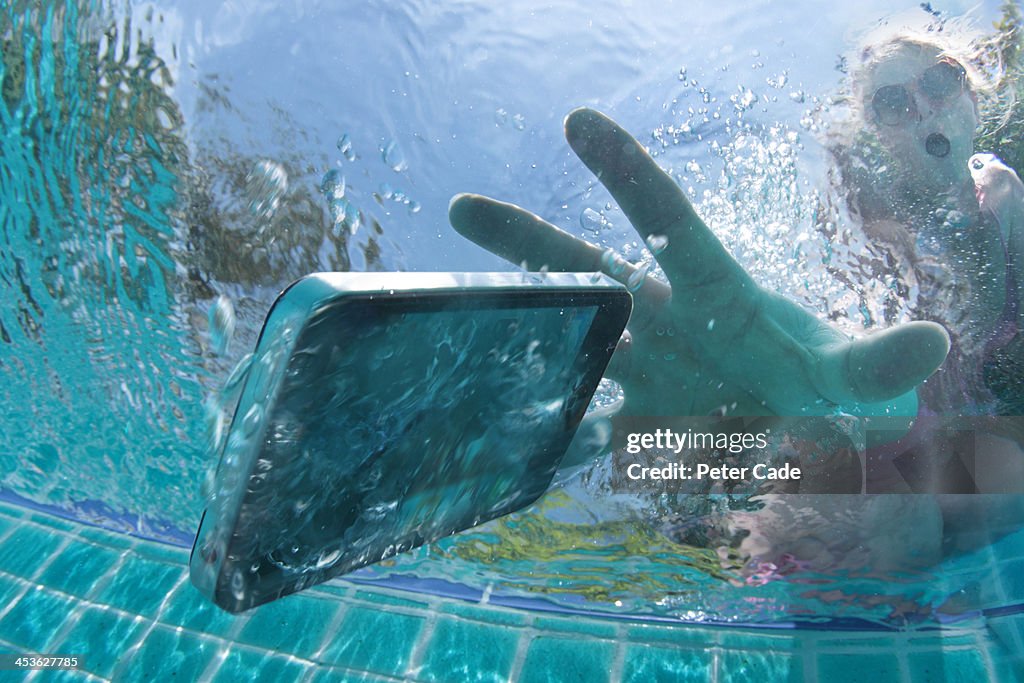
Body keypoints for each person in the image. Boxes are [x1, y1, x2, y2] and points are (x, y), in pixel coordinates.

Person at [446, 14, 1024, 586]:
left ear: (972, 92)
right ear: (878, 132)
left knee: (979, 492)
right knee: (861, 512)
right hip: (862, 420)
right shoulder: (856, 223)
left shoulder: (1004, 197)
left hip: (961, 438)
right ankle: (707, 513)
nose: (922, 106)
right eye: (893, 103)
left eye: (941, 80)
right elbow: (837, 362)